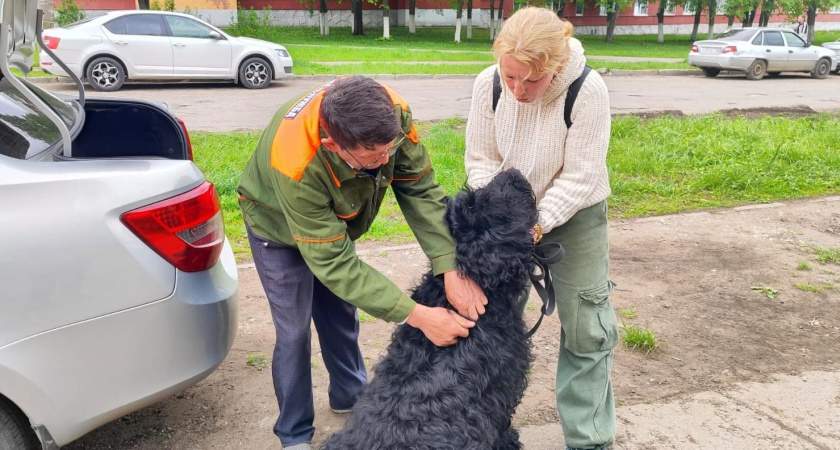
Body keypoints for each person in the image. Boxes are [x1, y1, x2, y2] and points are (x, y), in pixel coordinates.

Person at [238, 76, 487, 450]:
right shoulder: (295, 162)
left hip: (330, 224)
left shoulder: (393, 113)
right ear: (331, 145)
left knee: (339, 315)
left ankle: (350, 396)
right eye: (373, 157)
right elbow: (334, 263)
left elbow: (418, 187)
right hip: (276, 228)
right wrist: (419, 316)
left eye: (389, 149)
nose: (386, 161)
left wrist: (448, 266)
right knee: (293, 331)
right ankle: (294, 434)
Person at [464, 7, 617, 450]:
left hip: (574, 214)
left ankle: (589, 440)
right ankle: (483, 428)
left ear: (555, 65)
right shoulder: (487, 84)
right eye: (509, 76)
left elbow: (582, 174)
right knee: (488, 321)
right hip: (506, 218)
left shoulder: (588, 90)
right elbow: (480, 159)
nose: (517, 89)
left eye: (530, 80)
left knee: (588, 327)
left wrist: (538, 223)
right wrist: (503, 219)